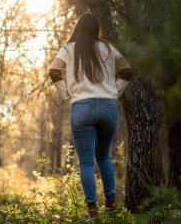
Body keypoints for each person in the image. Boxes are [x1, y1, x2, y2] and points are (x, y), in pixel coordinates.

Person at [48, 12, 132, 217]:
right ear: (97, 29)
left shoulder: (68, 49)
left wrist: (66, 94)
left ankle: (92, 209)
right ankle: (111, 204)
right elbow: (127, 71)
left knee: (86, 161)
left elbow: (53, 71)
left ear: (77, 27)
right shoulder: (108, 47)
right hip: (108, 108)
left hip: (82, 108)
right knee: (103, 156)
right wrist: (114, 92)